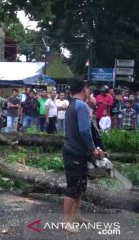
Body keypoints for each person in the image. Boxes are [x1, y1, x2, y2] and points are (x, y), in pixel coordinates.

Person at [63, 79, 105, 233]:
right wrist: (93, 149)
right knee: (73, 187)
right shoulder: (81, 106)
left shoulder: (73, 105)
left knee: (80, 186)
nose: (88, 91)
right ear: (83, 89)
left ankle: (76, 215)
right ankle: (66, 221)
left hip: (76, 150)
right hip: (75, 151)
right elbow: (84, 131)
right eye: (87, 89)